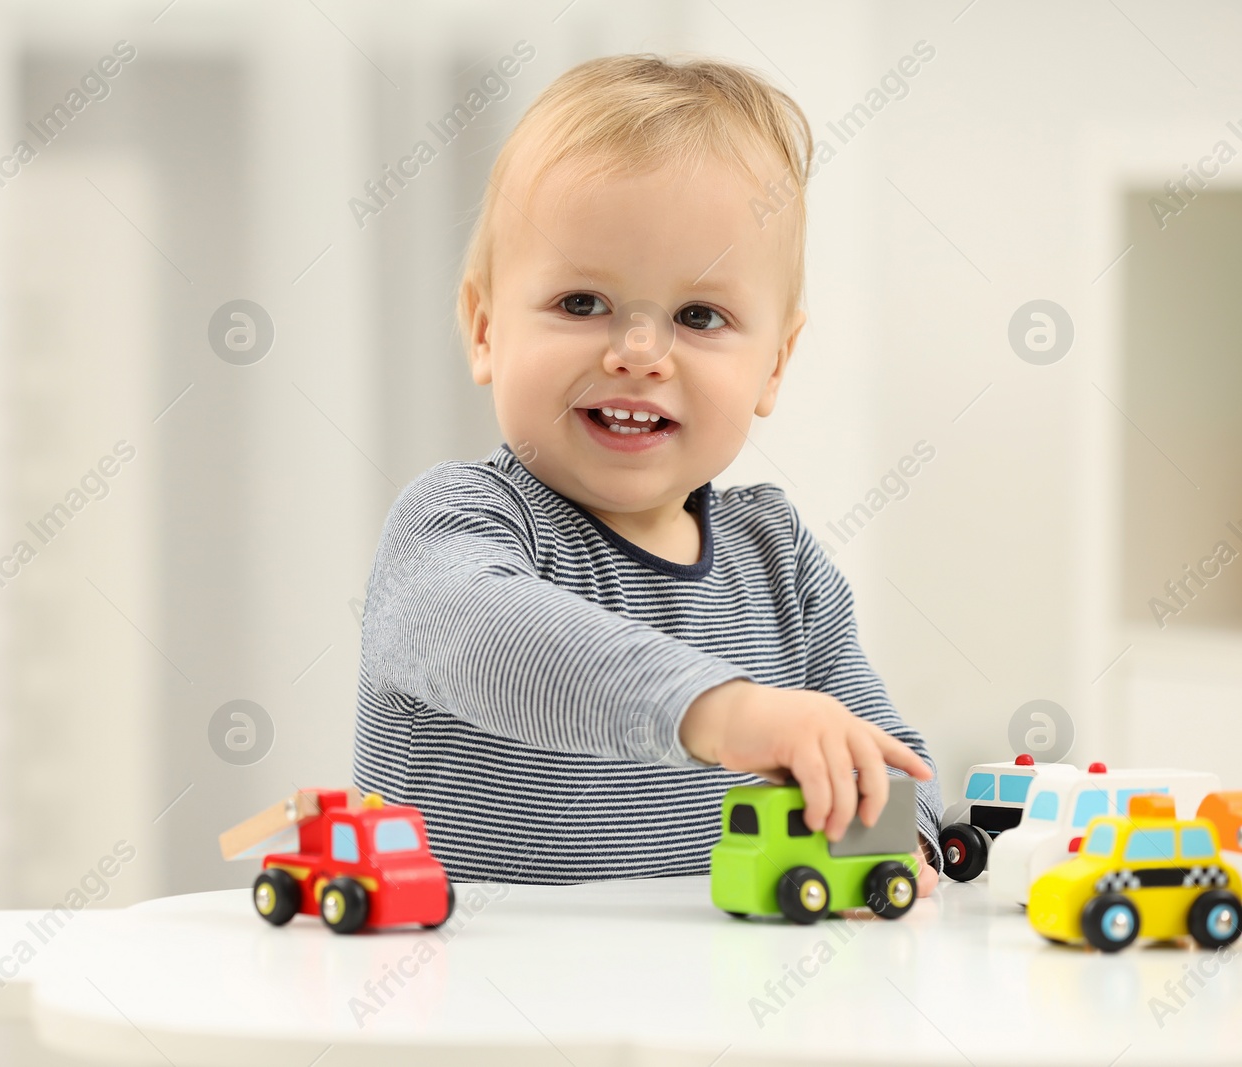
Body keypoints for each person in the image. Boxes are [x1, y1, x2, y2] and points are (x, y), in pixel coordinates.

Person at [353, 52, 943, 894]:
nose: (639, 353)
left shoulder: (781, 564)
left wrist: (896, 842)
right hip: (469, 1005)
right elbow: (495, 636)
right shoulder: (455, 527)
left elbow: (884, 757)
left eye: (699, 316)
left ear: (775, 364)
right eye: (582, 303)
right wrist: (721, 712)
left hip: (706, 1012)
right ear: (485, 330)